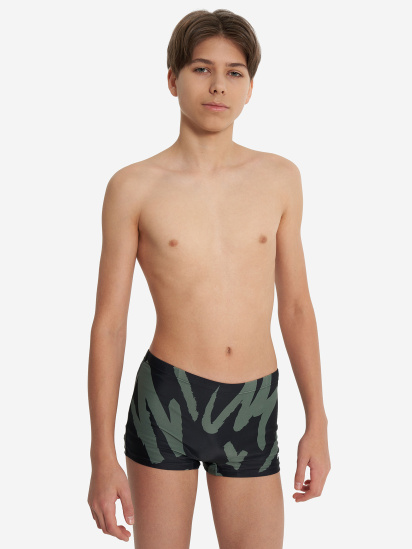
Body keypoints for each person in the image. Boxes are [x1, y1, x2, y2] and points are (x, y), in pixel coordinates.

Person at [87, 8, 331, 548]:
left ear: (250, 88)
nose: (218, 85)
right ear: (172, 79)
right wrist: (101, 455)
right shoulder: (133, 187)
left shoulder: (279, 178)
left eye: (234, 72)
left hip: (253, 402)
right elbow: (109, 324)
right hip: (167, 398)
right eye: (201, 69)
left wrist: (317, 421)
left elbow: (296, 307)